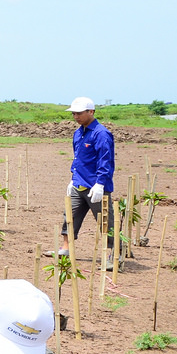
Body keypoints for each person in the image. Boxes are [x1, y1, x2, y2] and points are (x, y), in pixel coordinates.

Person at [57, 98, 115, 269]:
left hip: (95, 186)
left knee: (106, 221)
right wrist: (72, 178)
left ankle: (113, 253)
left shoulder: (101, 134)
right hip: (78, 183)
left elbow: (106, 161)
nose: (76, 116)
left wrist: (100, 184)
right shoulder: (78, 133)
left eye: (79, 113)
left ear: (91, 112)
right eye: (74, 113)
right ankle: (66, 248)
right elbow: (78, 159)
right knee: (70, 217)